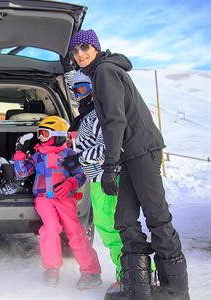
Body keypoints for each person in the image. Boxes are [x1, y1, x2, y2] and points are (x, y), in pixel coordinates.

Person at [68, 29, 189, 300]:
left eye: (85, 47)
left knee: (157, 217)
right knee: (124, 219)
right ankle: (138, 288)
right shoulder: (97, 73)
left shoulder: (105, 72)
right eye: (75, 51)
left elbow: (115, 120)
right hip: (128, 154)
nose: (81, 54)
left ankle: (175, 290)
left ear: (96, 47)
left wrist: (109, 165)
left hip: (140, 150)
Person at [13, 116, 102, 289]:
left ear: (58, 135)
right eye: (40, 134)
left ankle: (91, 271)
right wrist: (20, 152)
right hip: (44, 199)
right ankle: (52, 269)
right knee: (51, 228)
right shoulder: (38, 155)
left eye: (45, 134)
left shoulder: (69, 154)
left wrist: (71, 183)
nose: (40, 138)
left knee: (75, 231)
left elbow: (81, 173)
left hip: (64, 198)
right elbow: (22, 173)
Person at [62, 70, 123, 294]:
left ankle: (131, 275)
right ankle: (129, 273)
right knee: (107, 228)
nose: (79, 95)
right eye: (75, 91)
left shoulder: (99, 114)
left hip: (105, 176)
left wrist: (79, 157)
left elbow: (109, 147)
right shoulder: (85, 116)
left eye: (83, 89)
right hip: (94, 178)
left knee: (113, 228)